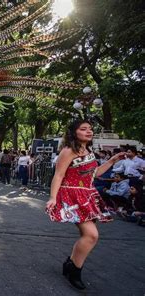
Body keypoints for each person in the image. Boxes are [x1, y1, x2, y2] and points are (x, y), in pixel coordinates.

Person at [46, 119, 126, 290]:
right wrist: (53, 198)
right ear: (74, 132)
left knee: (88, 235)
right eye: (83, 129)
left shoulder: (87, 150)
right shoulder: (68, 151)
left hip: (88, 195)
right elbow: (58, 175)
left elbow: (94, 173)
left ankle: (71, 264)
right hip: (72, 196)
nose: (89, 131)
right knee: (91, 235)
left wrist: (112, 161)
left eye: (90, 129)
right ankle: (74, 270)